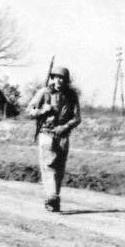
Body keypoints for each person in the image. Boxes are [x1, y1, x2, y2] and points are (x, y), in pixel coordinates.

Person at [26, 65, 82, 212]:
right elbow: (29, 111)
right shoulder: (44, 93)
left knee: (60, 168)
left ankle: (54, 196)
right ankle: (52, 196)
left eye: (62, 78)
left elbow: (77, 118)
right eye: (57, 77)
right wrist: (41, 110)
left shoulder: (72, 96)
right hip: (47, 133)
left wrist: (65, 127)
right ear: (52, 78)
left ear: (66, 80)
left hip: (63, 135)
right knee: (49, 165)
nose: (59, 80)